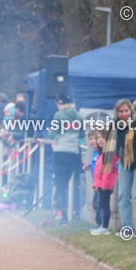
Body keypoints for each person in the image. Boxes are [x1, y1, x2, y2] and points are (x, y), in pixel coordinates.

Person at [106, 98, 136, 235]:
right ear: (117, 112)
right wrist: (116, 158)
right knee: (123, 195)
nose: (124, 114)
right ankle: (127, 227)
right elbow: (113, 143)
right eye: (121, 111)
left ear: (131, 111)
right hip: (124, 162)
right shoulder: (115, 125)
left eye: (126, 111)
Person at [48, 95, 84, 223]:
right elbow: (82, 135)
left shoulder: (58, 115)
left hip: (60, 152)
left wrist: (51, 131)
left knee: (60, 185)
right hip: (74, 153)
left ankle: (63, 217)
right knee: (74, 185)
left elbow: (53, 135)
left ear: (60, 104)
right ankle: (75, 211)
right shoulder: (79, 117)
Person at [89, 130, 117, 235]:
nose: (100, 140)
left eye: (102, 137)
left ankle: (105, 226)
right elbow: (97, 171)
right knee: (101, 204)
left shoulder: (109, 154)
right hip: (100, 185)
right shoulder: (101, 154)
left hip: (106, 185)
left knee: (105, 205)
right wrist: (97, 185)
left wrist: (104, 185)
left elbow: (107, 171)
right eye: (98, 138)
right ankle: (101, 225)